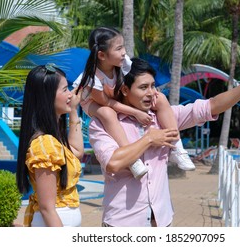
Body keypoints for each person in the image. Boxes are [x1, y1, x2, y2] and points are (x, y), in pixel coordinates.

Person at [89, 58, 240, 227]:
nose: (151, 93)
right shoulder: (104, 123)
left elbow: (212, 105)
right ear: (124, 89)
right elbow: (113, 163)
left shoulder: (164, 117)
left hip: (162, 221)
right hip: (123, 224)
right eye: (143, 87)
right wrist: (148, 139)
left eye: (153, 86)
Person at [73, 26, 195, 180]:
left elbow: (130, 84)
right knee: (107, 113)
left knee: (160, 98)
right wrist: (135, 112)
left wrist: (151, 90)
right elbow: (107, 103)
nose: (124, 52)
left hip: (113, 98)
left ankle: (177, 147)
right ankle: (132, 160)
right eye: (118, 48)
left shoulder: (123, 63)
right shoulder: (93, 78)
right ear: (102, 55)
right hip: (92, 103)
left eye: (123, 46)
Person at [16, 64, 84, 227]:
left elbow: (76, 152)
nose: (70, 94)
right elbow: (47, 208)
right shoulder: (44, 144)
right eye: (65, 89)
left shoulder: (53, 137)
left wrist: (73, 111)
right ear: (47, 97)